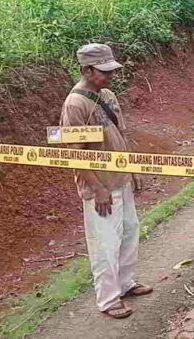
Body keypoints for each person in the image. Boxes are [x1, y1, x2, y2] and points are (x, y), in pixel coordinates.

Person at [60, 44, 153, 318]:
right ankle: (109, 299)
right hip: (100, 186)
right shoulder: (74, 105)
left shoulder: (108, 94)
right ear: (86, 70)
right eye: (103, 71)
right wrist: (98, 188)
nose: (110, 76)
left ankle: (126, 283)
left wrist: (132, 169)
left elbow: (121, 134)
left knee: (128, 232)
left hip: (120, 178)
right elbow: (75, 155)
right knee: (104, 243)